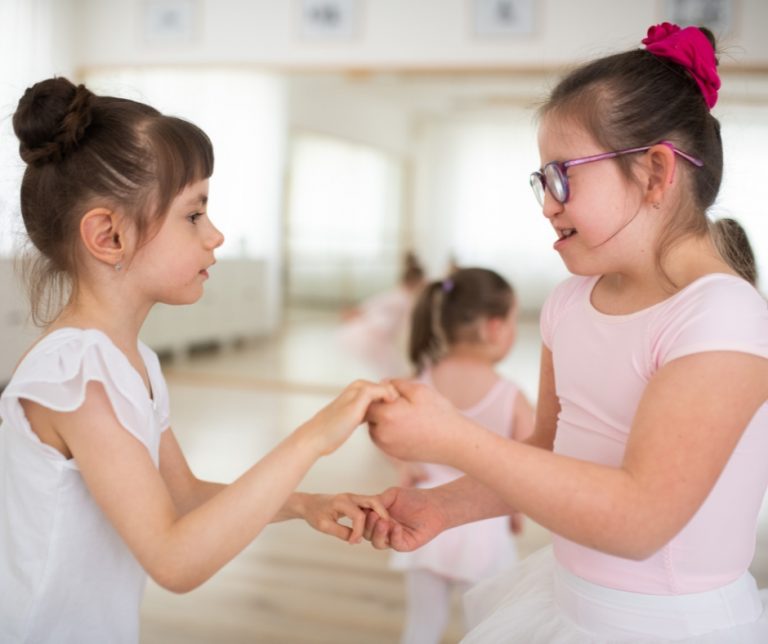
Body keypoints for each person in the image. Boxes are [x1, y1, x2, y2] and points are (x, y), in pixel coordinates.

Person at [364, 22, 768, 642]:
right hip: (569, 605)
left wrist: (452, 440)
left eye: (562, 175)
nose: (547, 203)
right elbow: (547, 451)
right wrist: (443, 507)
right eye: (541, 181)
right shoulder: (570, 302)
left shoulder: (723, 316)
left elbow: (641, 518)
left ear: (656, 173)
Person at [0, 77, 398, 644]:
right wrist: (311, 438)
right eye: (194, 215)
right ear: (108, 236)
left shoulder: (127, 359)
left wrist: (305, 504)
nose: (215, 236)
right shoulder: (76, 376)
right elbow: (174, 560)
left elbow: (180, 497)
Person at [388, 267, 534, 644]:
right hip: (482, 525)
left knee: (422, 625)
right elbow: (528, 466)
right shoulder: (509, 396)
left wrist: (408, 471)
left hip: (423, 519)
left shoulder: (416, 383)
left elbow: (392, 442)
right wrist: (514, 511)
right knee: (486, 627)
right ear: (493, 328)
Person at [337, 251, 426, 379]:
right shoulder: (402, 299)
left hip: (378, 338)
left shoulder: (399, 297)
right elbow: (375, 309)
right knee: (391, 371)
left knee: (391, 371)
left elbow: (372, 306)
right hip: (374, 337)